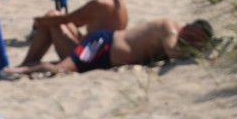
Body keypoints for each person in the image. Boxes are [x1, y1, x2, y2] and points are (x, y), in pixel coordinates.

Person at [11, 0, 130, 70]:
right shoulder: (121, 5)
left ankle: (26, 63)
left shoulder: (101, 4)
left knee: (52, 18)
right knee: (53, 15)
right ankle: (27, 63)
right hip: (100, 53)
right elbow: (76, 22)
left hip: (88, 57)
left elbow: (68, 19)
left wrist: (39, 22)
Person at [14, 18, 214, 77]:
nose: (193, 41)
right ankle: (20, 69)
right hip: (102, 45)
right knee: (61, 69)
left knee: (63, 65)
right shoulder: (169, 28)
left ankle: (26, 66)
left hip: (105, 54)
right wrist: (197, 54)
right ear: (189, 26)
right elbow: (172, 53)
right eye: (195, 36)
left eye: (197, 41)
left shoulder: (176, 36)